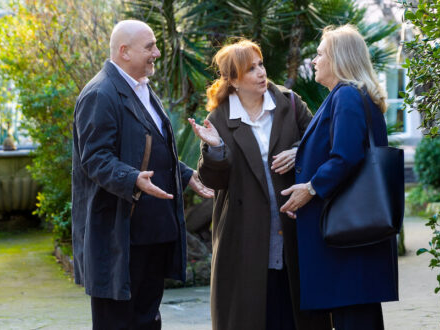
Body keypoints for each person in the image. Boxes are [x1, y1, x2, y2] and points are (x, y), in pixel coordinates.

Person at [71, 20, 213, 329]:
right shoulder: (100, 93)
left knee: (148, 321)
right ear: (124, 51)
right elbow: (94, 159)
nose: (157, 53)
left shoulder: (143, 89)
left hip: (151, 234)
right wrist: (133, 178)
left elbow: (150, 147)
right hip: (119, 237)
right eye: (149, 47)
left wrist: (185, 173)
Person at [189, 40, 331, 330]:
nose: (261, 73)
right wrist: (215, 150)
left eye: (261, 65)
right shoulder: (219, 118)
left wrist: (297, 150)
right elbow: (213, 182)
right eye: (250, 69)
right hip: (244, 237)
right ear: (232, 80)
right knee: (254, 315)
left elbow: (323, 142)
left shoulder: (289, 103)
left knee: (296, 315)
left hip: (293, 229)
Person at [280, 25, 399, 330]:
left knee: (354, 317)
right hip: (356, 233)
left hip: (347, 236)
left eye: (320, 54)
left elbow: (346, 155)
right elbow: (344, 145)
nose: (314, 61)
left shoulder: (345, 94)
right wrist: (302, 155)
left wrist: (311, 187)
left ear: (338, 59)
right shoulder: (353, 94)